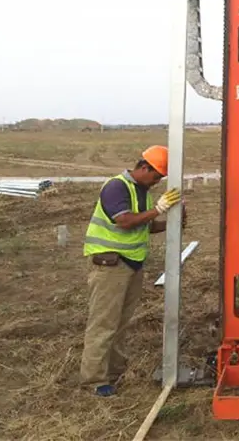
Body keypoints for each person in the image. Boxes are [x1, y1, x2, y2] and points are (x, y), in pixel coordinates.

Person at [79, 145, 182, 396]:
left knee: (120, 323)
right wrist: (157, 210)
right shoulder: (117, 187)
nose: (157, 182)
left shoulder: (142, 191)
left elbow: (142, 226)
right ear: (144, 168)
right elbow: (124, 222)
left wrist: (171, 222)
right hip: (110, 266)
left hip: (131, 265)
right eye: (156, 176)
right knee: (103, 324)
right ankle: (93, 381)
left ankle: (113, 373)